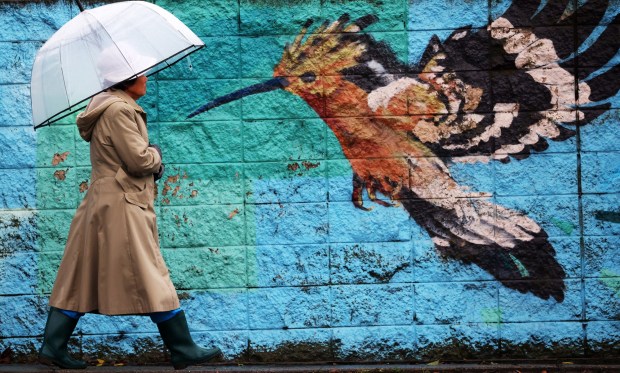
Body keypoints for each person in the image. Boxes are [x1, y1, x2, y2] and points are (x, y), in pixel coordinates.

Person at [38, 74, 221, 370]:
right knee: (152, 271)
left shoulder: (106, 107)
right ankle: (183, 347)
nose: (146, 78)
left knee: (79, 274)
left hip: (104, 200)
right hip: (122, 203)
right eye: (141, 73)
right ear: (127, 79)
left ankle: (53, 345)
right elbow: (138, 161)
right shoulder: (120, 110)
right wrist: (156, 155)